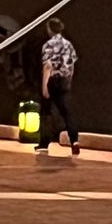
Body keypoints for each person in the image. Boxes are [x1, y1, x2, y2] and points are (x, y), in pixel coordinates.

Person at [37, 16, 80, 156]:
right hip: (64, 81)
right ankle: (74, 141)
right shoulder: (68, 45)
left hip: (53, 80)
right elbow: (72, 65)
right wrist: (69, 80)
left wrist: (44, 86)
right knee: (67, 113)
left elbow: (47, 67)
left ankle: (44, 144)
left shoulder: (48, 45)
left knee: (46, 113)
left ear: (50, 29)